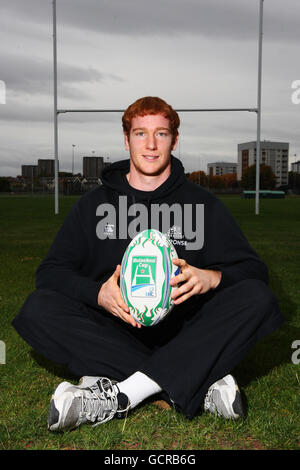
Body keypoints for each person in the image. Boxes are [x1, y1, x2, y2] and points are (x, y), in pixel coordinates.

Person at [12, 96, 284, 432]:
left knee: (257, 298)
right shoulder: (93, 206)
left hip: (188, 330)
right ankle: (200, 380)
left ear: (175, 139)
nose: (151, 145)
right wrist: (98, 294)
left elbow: (255, 271)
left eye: (162, 134)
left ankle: (123, 393)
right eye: (141, 134)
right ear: (126, 140)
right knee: (39, 308)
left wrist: (211, 278)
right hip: (115, 331)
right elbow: (50, 273)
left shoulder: (203, 204)